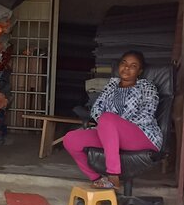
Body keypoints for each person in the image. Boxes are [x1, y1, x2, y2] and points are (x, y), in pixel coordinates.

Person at [63, 50, 161, 189]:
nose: (127, 68)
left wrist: (116, 125)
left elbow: (146, 115)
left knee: (108, 118)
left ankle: (113, 176)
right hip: (110, 134)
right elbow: (96, 109)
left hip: (141, 135)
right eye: (124, 63)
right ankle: (97, 178)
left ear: (139, 71)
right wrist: (110, 128)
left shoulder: (147, 87)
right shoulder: (111, 85)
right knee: (71, 139)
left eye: (133, 66)